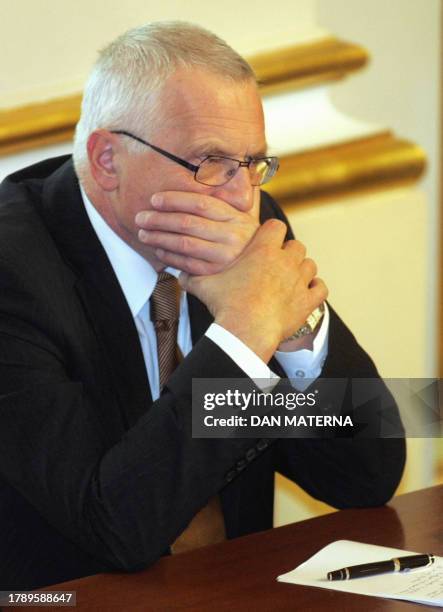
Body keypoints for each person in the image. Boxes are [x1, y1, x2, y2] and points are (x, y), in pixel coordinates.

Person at [0, 21, 405, 590]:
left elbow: (367, 475)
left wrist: (295, 327)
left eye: (254, 162)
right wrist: (244, 333)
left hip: (230, 592)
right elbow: (117, 528)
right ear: (108, 158)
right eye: (209, 162)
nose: (242, 196)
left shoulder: (247, 230)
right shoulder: (13, 275)